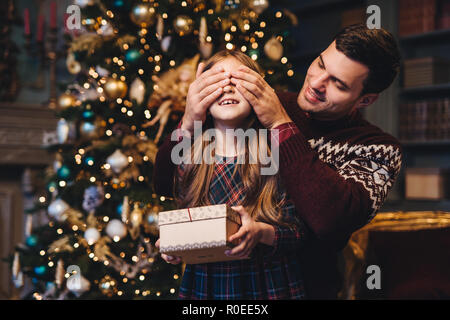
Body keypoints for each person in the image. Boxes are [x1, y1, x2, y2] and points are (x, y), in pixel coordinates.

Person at [154, 24, 403, 299]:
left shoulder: (378, 149)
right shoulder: (259, 105)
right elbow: (167, 183)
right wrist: (189, 121)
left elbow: (329, 222)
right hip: (214, 284)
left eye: (338, 83)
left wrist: (278, 123)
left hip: (299, 288)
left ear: (365, 99)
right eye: (320, 64)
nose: (317, 83)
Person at [156, 50, 307, 299]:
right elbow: (185, 224)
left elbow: (300, 233)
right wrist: (173, 245)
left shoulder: (277, 153)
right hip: (207, 287)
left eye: (237, 82)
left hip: (268, 286)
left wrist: (260, 232)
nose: (227, 89)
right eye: (215, 83)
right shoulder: (189, 160)